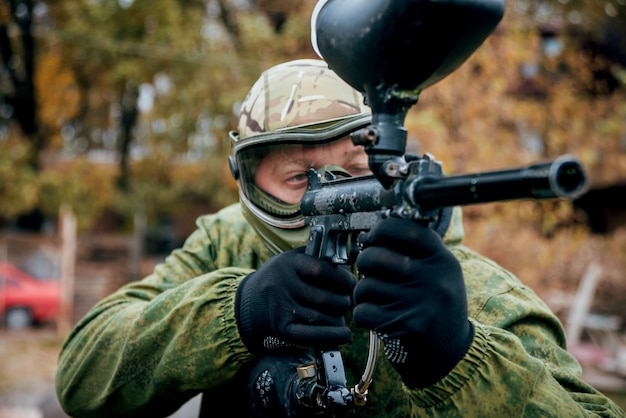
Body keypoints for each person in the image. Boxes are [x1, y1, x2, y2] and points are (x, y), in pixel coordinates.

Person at [55, 59, 625, 417]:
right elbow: (83, 379)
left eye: (356, 170)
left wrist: (460, 356)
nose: (339, 193)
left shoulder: (474, 294)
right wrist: (237, 311)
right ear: (249, 185)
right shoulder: (228, 244)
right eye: (302, 177)